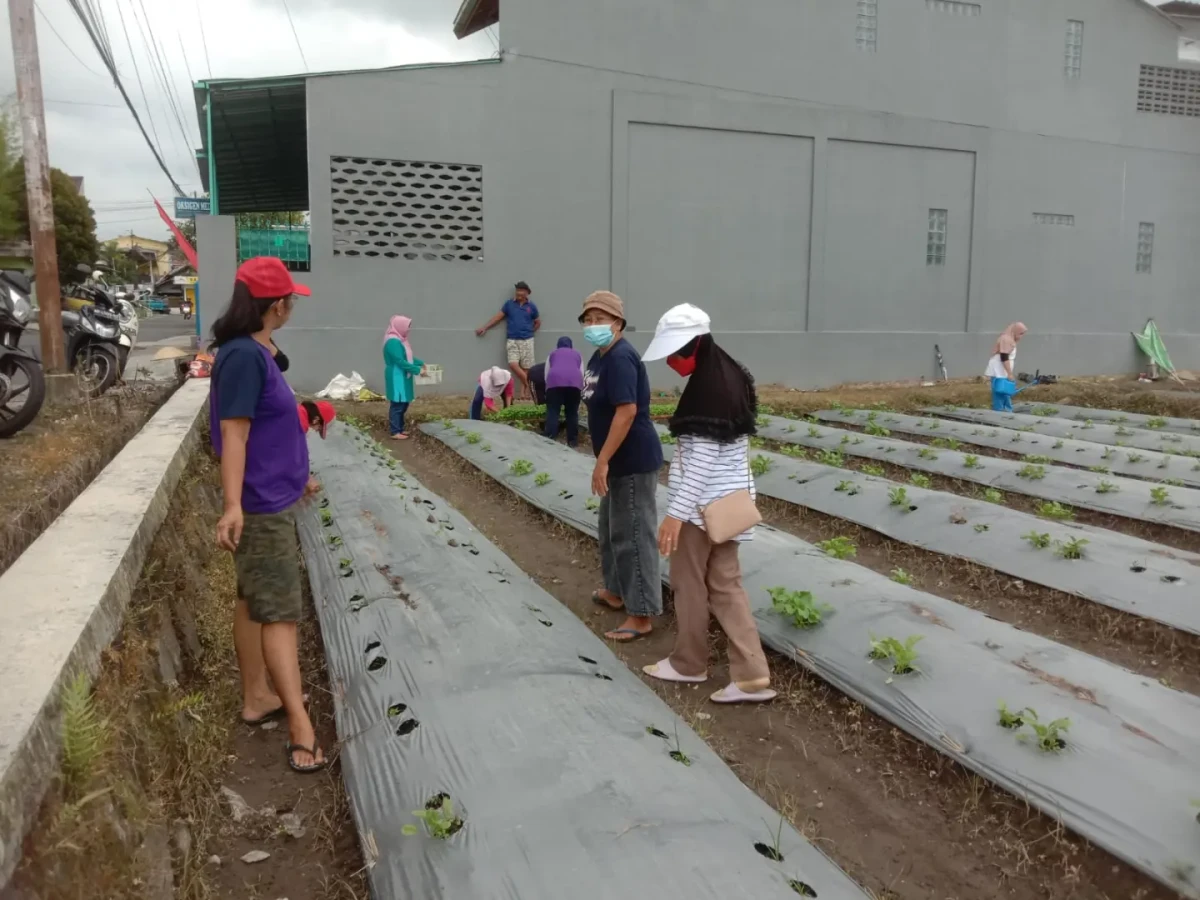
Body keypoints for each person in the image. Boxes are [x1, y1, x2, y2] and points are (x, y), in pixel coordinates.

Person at [208, 257, 326, 774]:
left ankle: (257, 695)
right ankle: (301, 724)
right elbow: (233, 434)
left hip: (273, 493)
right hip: (260, 505)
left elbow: (271, 425)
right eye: (289, 299)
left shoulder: (257, 353)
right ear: (275, 304)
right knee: (279, 611)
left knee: (251, 598)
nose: (293, 306)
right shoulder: (242, 358)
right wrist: (234, 505)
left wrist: (297, 474)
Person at [639, 304, 776, 704]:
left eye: (673, 352)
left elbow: (701, 463)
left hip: (700, 510)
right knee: (727, 586)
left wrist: (674, 517)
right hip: (731, 504)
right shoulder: (729, 374)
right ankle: (752, 677)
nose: (668, 360)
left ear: (693, 345)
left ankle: (689, 664)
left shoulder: (706, 390)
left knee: (688, 585)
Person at [580, 291, 663, 642]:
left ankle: (641, 613)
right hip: (615, 461)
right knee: (611, 529)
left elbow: (627, 411)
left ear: (617, 323)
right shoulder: (600, 356)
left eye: (600, 319)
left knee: (632, 534)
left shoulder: (622, 358)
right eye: (588, 319)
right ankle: (617, 591)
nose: (593, 325)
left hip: (631, 460)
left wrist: (602, 461)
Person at [476, 280, 540, 401]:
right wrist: (485, 327)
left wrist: (530, 332)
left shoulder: (531, 307)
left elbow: (537, 321)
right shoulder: (509, 304)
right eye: (517, 290)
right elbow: (498, 317)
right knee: (513, 364)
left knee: (526, 367)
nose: (519, 293)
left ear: (527, 293)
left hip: (527, 339)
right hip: (512, 339)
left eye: (521, 291)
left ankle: (523, 394)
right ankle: (528, 385)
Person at [382, 315, 425, 440]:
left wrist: (420, 363)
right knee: (398, 404)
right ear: (400, 326)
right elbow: (400, 361)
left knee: (403, 403)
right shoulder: (393, 342)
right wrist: (418, 370)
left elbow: (407, 357)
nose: (408, 330)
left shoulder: (400, 340)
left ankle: (399, 428)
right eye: (407, 327)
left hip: (402, 375)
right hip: (397, 376)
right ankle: (395, 431)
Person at [544, 336, 583, 447]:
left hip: (554, 385)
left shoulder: (552, 354)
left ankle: (550, 440)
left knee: (553, 412)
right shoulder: (577, 354)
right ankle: (572, 442)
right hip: (574, 386)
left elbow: (547, 372)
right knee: (572, 413)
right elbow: (581, 372)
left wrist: (549, 386)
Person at [986, 322, 1027, 412]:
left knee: (1006, 390)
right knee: (1000, 391)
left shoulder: (1010, 339)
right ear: (1015, 331)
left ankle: (1007, 410)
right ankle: (999, 411)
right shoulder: (1006, 340)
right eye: (1020, 334)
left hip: (1002, 369)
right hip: (999, 369)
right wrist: (1009, 373)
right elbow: (1004, 357)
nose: (1021, 336)